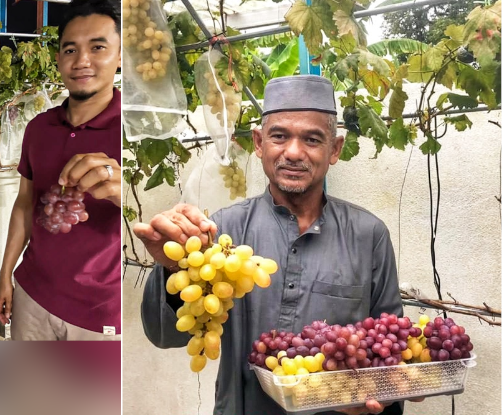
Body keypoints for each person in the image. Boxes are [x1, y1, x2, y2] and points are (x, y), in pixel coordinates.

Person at [135, 75, 412, 415]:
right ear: (259, 142)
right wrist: (173, 268)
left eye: (312, 139)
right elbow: (166, 335)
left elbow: (390, 348)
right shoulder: (221, 231)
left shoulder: (369, 235)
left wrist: (381, 393)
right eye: (279, 136)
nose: (293, 152)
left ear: (335, 149)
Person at [0, 0, 122, 340]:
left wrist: (123, 193)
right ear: (58, 59)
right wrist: (5, 274)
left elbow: (153, 218)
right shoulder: (38, 128)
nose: (82, 61)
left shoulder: (133, 131)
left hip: (98, 313)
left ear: (121, 55)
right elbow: (25, 204)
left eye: (98, 47)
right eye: (70, 50)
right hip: (33, 295)